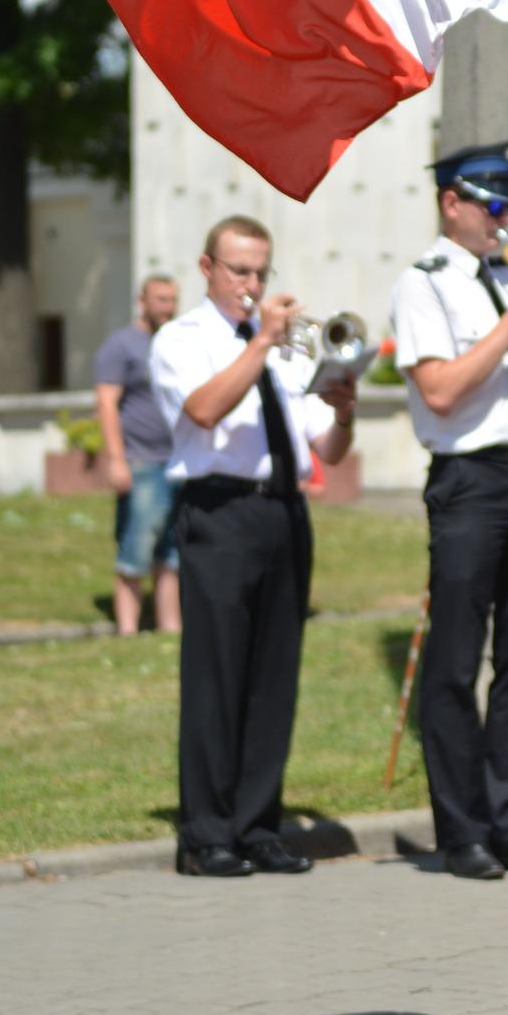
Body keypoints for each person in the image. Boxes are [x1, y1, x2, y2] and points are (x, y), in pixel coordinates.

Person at [390, 144, 508, 882]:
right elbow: (441, 391)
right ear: (452, 204)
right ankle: (460, 829)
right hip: (469, 481)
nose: (506, 222)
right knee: (456, 660)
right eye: (493, 207)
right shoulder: (425, 284)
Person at [150, 216, 356, 878]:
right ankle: (206, 833)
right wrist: (260, 341)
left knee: (274, 676)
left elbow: (326, 447)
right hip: (219, 512)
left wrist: (345, 410)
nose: (252, 283)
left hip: (283, 513)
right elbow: (204, 411)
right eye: (240, 270)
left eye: (261, 271)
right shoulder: (181, 340)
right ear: (207, 268)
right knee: (217, 675)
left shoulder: (290, 349)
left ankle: (257, 823)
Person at [93, 276, 182, 636]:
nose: (167, 307)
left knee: (172, 554)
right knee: (136, 549)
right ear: (141, 300)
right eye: (160, 299)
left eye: (172, 300)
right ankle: (127, 631)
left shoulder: (175, 343)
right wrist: (117, 460)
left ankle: (170, 627)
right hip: (141, 462)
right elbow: (106, 403)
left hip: (178, 463)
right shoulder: (121, 346)